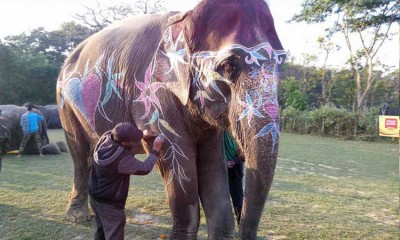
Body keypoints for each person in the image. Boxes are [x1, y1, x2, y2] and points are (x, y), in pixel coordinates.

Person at [89, 122, 165, 240]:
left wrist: (142, 135)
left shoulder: (106, 137)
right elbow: (145, 168)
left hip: (95, 196)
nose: (134, 142)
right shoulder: (121, 159)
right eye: (132, 140)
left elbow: (122, 137)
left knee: (101, 230)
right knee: (114, 233)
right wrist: (155, 150)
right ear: (124, 143)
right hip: (110, 204)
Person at [224, 130, 245, 226]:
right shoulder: (220, 133)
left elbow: (244, 155)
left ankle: (241, 225)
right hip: (220, 172)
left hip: (235, 172)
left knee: (238, 200)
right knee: (222, 201)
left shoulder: (240, 134)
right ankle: (224, 226)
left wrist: (233, 162)